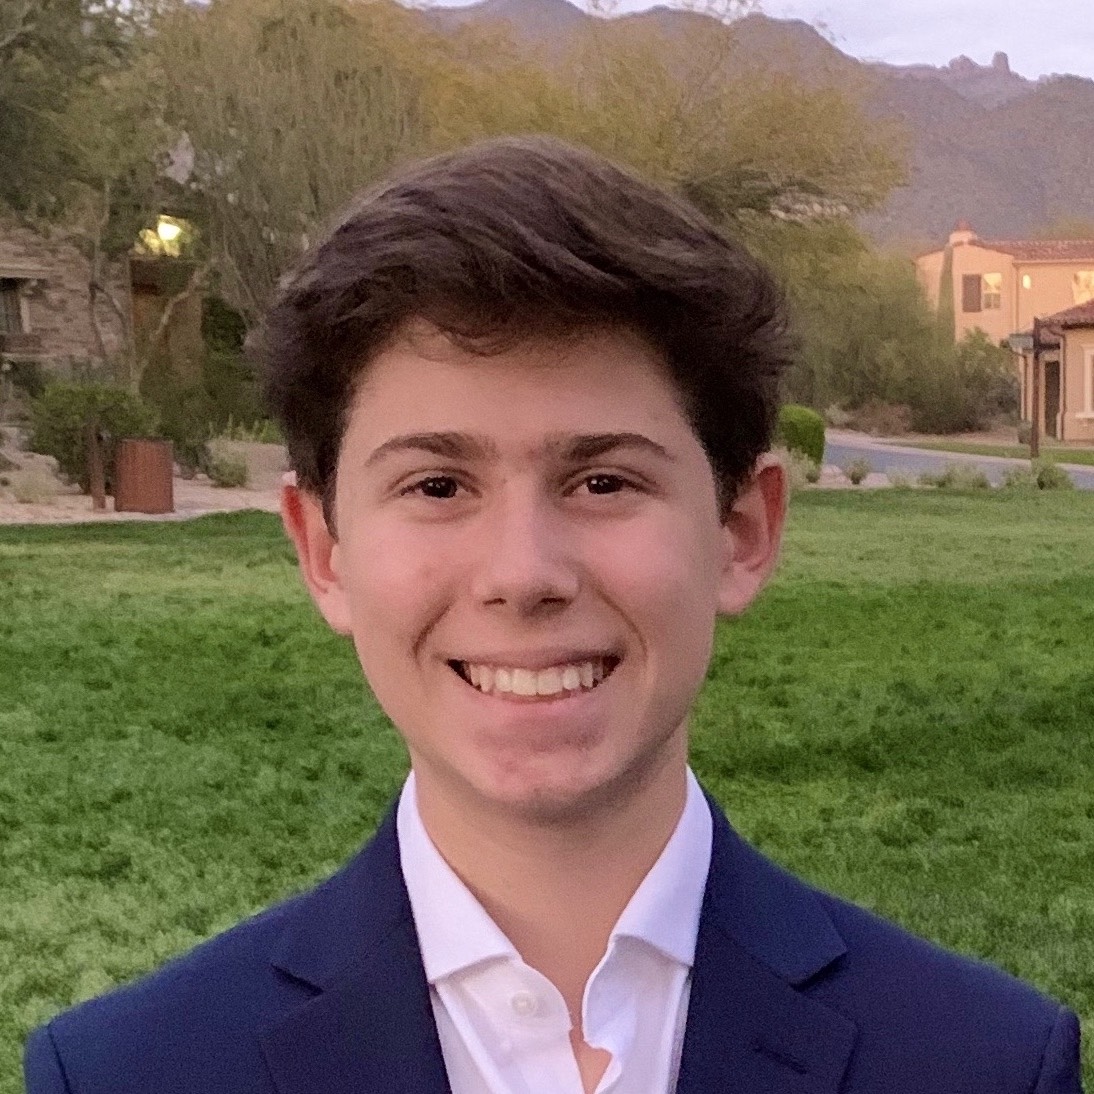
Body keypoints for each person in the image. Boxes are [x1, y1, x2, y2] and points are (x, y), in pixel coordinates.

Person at [24, 136, 1081, 1094]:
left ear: (740, 531)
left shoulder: (981, 1061)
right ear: (324, 550)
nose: (522, 573)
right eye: (437, 485)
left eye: (603, 481)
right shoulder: (126, 1072)